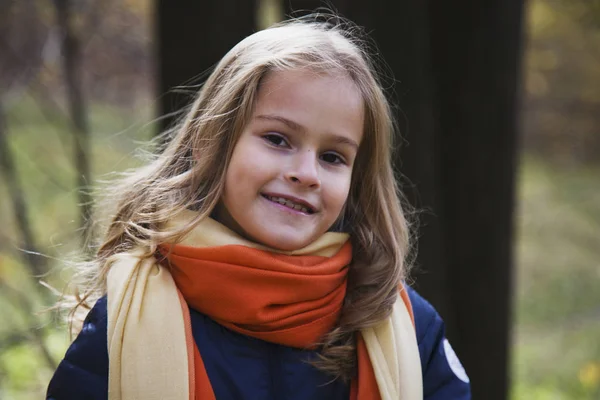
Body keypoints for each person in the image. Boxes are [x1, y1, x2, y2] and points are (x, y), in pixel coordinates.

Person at [47, 16, 471, 400]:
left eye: (333, 157)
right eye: (278, 139)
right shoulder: (124, 321)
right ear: (210, 139)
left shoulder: (409, 329)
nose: (307, 173)